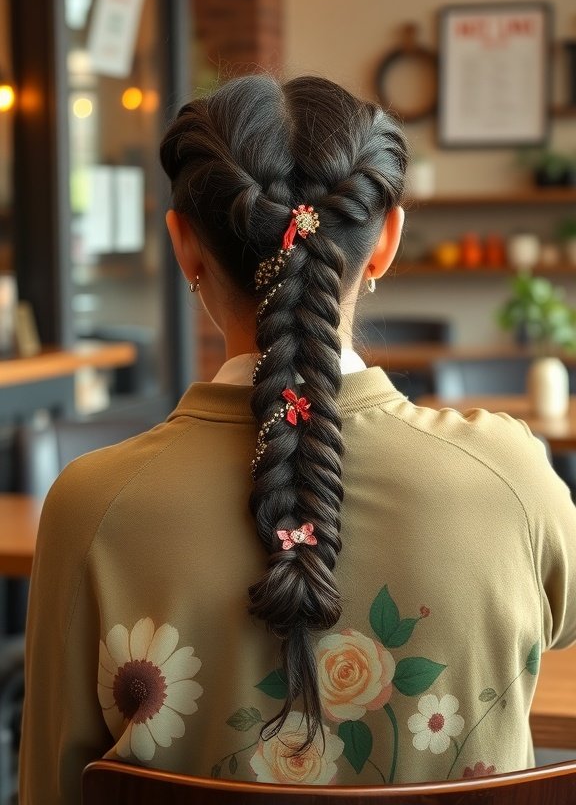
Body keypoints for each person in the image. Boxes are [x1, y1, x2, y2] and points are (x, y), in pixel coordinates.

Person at [19, 75, 576, 803]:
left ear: (184, 245)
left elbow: (50, 786)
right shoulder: (511, 478)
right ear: (385, 243)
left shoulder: (93, 510)